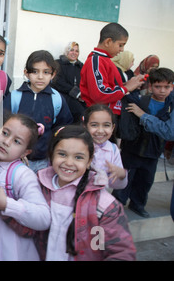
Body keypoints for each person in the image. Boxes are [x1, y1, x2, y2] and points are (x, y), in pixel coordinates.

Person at [35, 125, 136, 261]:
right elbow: (25, 228)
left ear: (89, 161)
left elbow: (119, 252)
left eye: (78, 157)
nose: (69, 162)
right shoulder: (37, 188)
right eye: (62, 154)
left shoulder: (102, 206)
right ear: (51, 154)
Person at [0, 114, 50, 261]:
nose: (6, 142)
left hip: (8, 251)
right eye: (5, 133)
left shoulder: (22, 174)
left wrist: (6, 204)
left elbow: (43, 218)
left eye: (16, 141)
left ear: (25, 152)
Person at [114, 68, 174, 218]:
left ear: (172, 86)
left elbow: (168, 130)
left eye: (167, 87)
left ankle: (138, 205)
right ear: (150, 86)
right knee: (125, 178)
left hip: (153, 151)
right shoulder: (141, 100)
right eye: (158, 86)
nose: (162, 91)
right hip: (133, 148)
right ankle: (116, 204)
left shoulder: (171, 105)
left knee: (145, 181)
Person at [4, 50, 73, 173]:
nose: (40, 77)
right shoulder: (15, 97)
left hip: (43, 161)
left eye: (46, 72)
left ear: (53, 74)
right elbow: (2, 125)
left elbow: (63, 127)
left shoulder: (56, 99)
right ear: (26, 73)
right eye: (35, 71)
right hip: (15, 159)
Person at [79, 23, 144, 117]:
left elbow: (110, 86)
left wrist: (130, 84)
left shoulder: (106, 60)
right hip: (98, 115)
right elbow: (100, 94)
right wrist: (126, 88)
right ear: (108, 42)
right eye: (120, 45)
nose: (122, 50)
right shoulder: (96, 60)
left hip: (108, 114)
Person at [83, 104, 128, 189]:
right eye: (94, 125)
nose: (100, 131)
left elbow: (116, 185)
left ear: (113, 127)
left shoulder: (113, 149)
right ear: (85, 126)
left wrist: (121, 174)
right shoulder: (78, 146)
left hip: (97, 198)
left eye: (106, 125)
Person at [52, 41, 86, 123]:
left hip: (78, 97)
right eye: (71, 50)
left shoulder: (81, 66)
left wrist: (82, 94)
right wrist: (76, 93)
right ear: (67, 51)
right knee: (79, 111)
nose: (74, 53)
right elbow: (57, 81)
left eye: (76, 51)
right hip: (63, 95)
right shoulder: (58, 64)